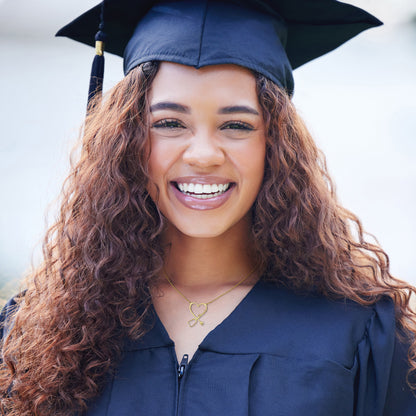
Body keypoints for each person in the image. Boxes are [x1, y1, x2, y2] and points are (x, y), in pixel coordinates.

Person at [1, 0, 416, 415]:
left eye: (236, 125)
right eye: (169, 123)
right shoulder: (41, 334)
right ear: (125, 142)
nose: (203, 154)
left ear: (276, 145)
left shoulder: (360, 333)